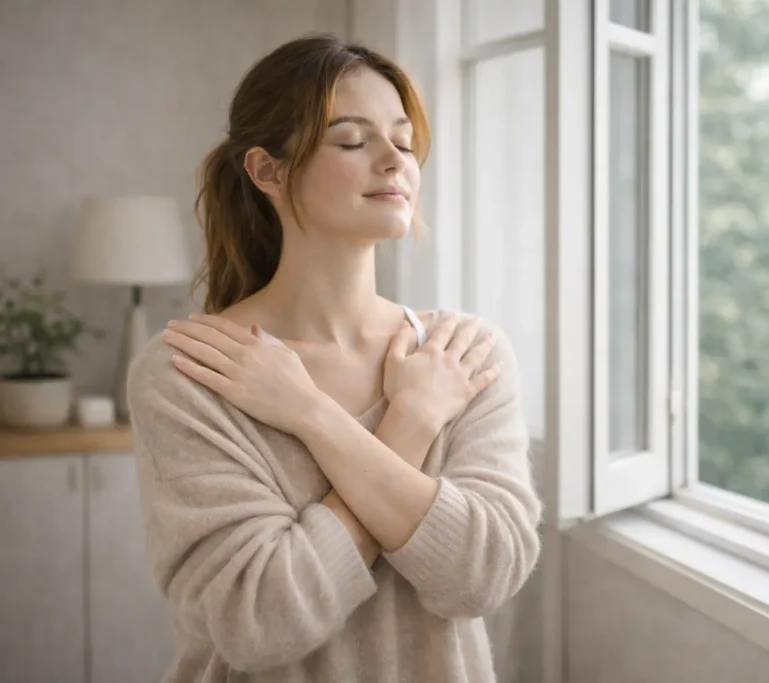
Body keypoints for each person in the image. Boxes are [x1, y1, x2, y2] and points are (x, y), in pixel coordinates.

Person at [126, 33, 542, 683]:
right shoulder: (191, 371)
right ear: (267, 171)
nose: (393, 161)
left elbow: (483, 576)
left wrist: (310, 413)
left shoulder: (463, 354)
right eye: (352, 140)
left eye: (404, 141)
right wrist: (408, 425)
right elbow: (258, 620)